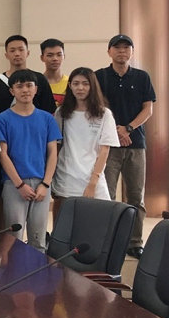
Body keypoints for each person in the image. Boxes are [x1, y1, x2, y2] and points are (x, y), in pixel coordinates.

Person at [96, 34, 156, 259]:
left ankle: (135, 242)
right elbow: (97, 107)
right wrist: (115, 131)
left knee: (136, 196)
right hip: (108, 145)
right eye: (117, 47)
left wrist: (128, 128)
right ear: (109, 51)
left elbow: (148, 109)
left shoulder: (141, 77)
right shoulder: (99, 76)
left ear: (132, 51)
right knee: (107, 195)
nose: (122, 51)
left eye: (126, 47)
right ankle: (108, 241)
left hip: (135, 144)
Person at [0, 70, 62, 252]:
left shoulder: (47, 118)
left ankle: (37, 272)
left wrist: (46, 184)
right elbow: (2, 155)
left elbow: (52, 153)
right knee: (13, 240)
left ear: (36, 89)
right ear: (12, 91)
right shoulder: (2, 119)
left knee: (38, 240)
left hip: (42, 185)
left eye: (29, 85)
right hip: (14, 184)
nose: (25, 90)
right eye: (19, 86)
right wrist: (19, 185)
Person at [52, 67, 119, 223]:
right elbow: (56, 146)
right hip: (66, 177)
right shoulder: (61, 113)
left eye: (85, 83)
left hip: (93, 177)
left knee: (99, 223)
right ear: (70, 86)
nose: (80, 88)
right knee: (65, 224)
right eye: (76, 83)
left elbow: (104, 150)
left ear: (92, 86)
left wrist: (93, 182)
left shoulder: (104, 114)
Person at [0, 35, 56, 119]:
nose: (17, 54)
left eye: (21, 50)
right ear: (6, 55)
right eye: (12, 50)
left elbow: (48, 110)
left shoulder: (39, 79)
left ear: (28, 53)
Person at [40, 38, 68, 106]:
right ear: (42, 58)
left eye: (59, 55)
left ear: (64, 56)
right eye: (50, 55)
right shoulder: (37, 83)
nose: (55, 59)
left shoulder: (70, 83)